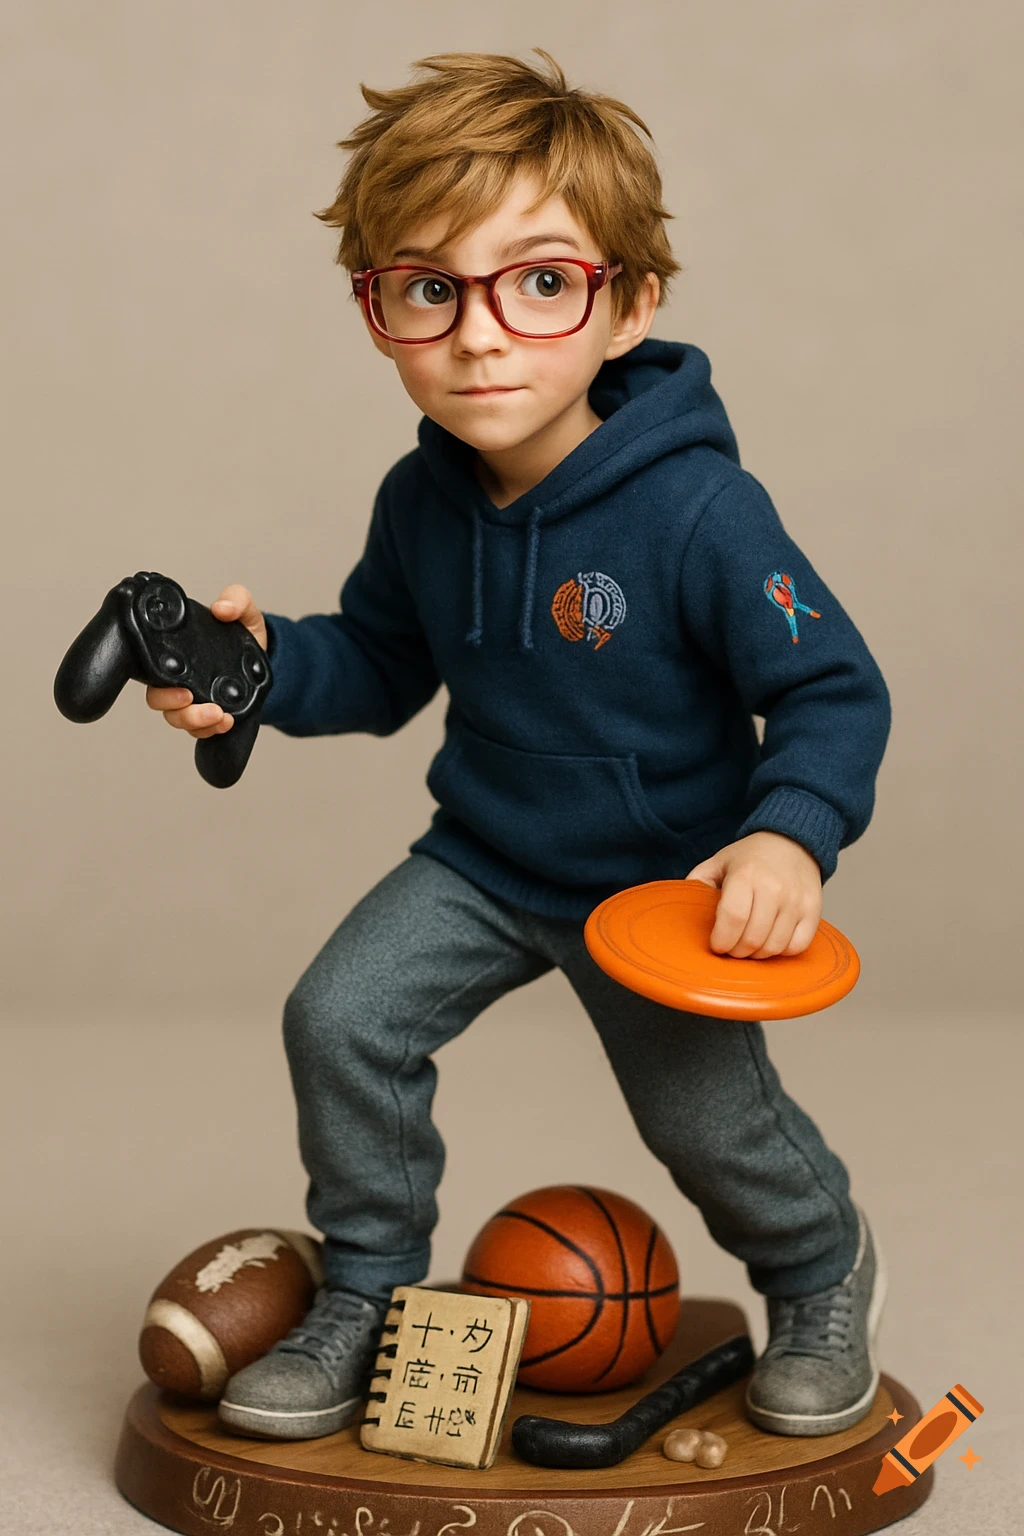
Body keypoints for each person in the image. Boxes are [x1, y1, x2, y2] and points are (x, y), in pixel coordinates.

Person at [147, 51, 891, 1442]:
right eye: (429, 287)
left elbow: (836, 691)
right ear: (377, 313)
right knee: (341, 1019)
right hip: (484, 859)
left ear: (628, 305)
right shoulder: (420, 502)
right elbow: (373, 664)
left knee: (712, 1129)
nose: (480, 335)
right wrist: (250, 671)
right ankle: (365, 1288)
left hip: (662, 887)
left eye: (541, 282)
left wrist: (788, 833)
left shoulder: (701, 513)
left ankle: (819, 1268)